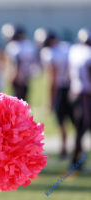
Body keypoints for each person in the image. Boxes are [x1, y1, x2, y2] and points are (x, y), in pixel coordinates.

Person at [35, 28, 73, 159]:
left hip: (60, 89)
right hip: (73, 87)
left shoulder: (49, 53)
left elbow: (53, 78)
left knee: (61, 121)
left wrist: (49, 99)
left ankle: (64, 150)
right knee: (76, 121)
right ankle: (74, 151)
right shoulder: (66, 47)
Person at [68, 28, 91, 169]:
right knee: (83, 128)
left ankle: (76, 160)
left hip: (75, 92)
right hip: (86, 95)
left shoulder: (75, 51)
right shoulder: (87, 54)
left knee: (79, 128)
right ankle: (77, 160)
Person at [2, 23, 39, 101]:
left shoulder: (13, 46)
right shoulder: (29, 45)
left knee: (16, 99)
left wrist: (13, 76)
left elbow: (17, 62)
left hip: (18, 76)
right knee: (24, 99)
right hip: (27, 75)